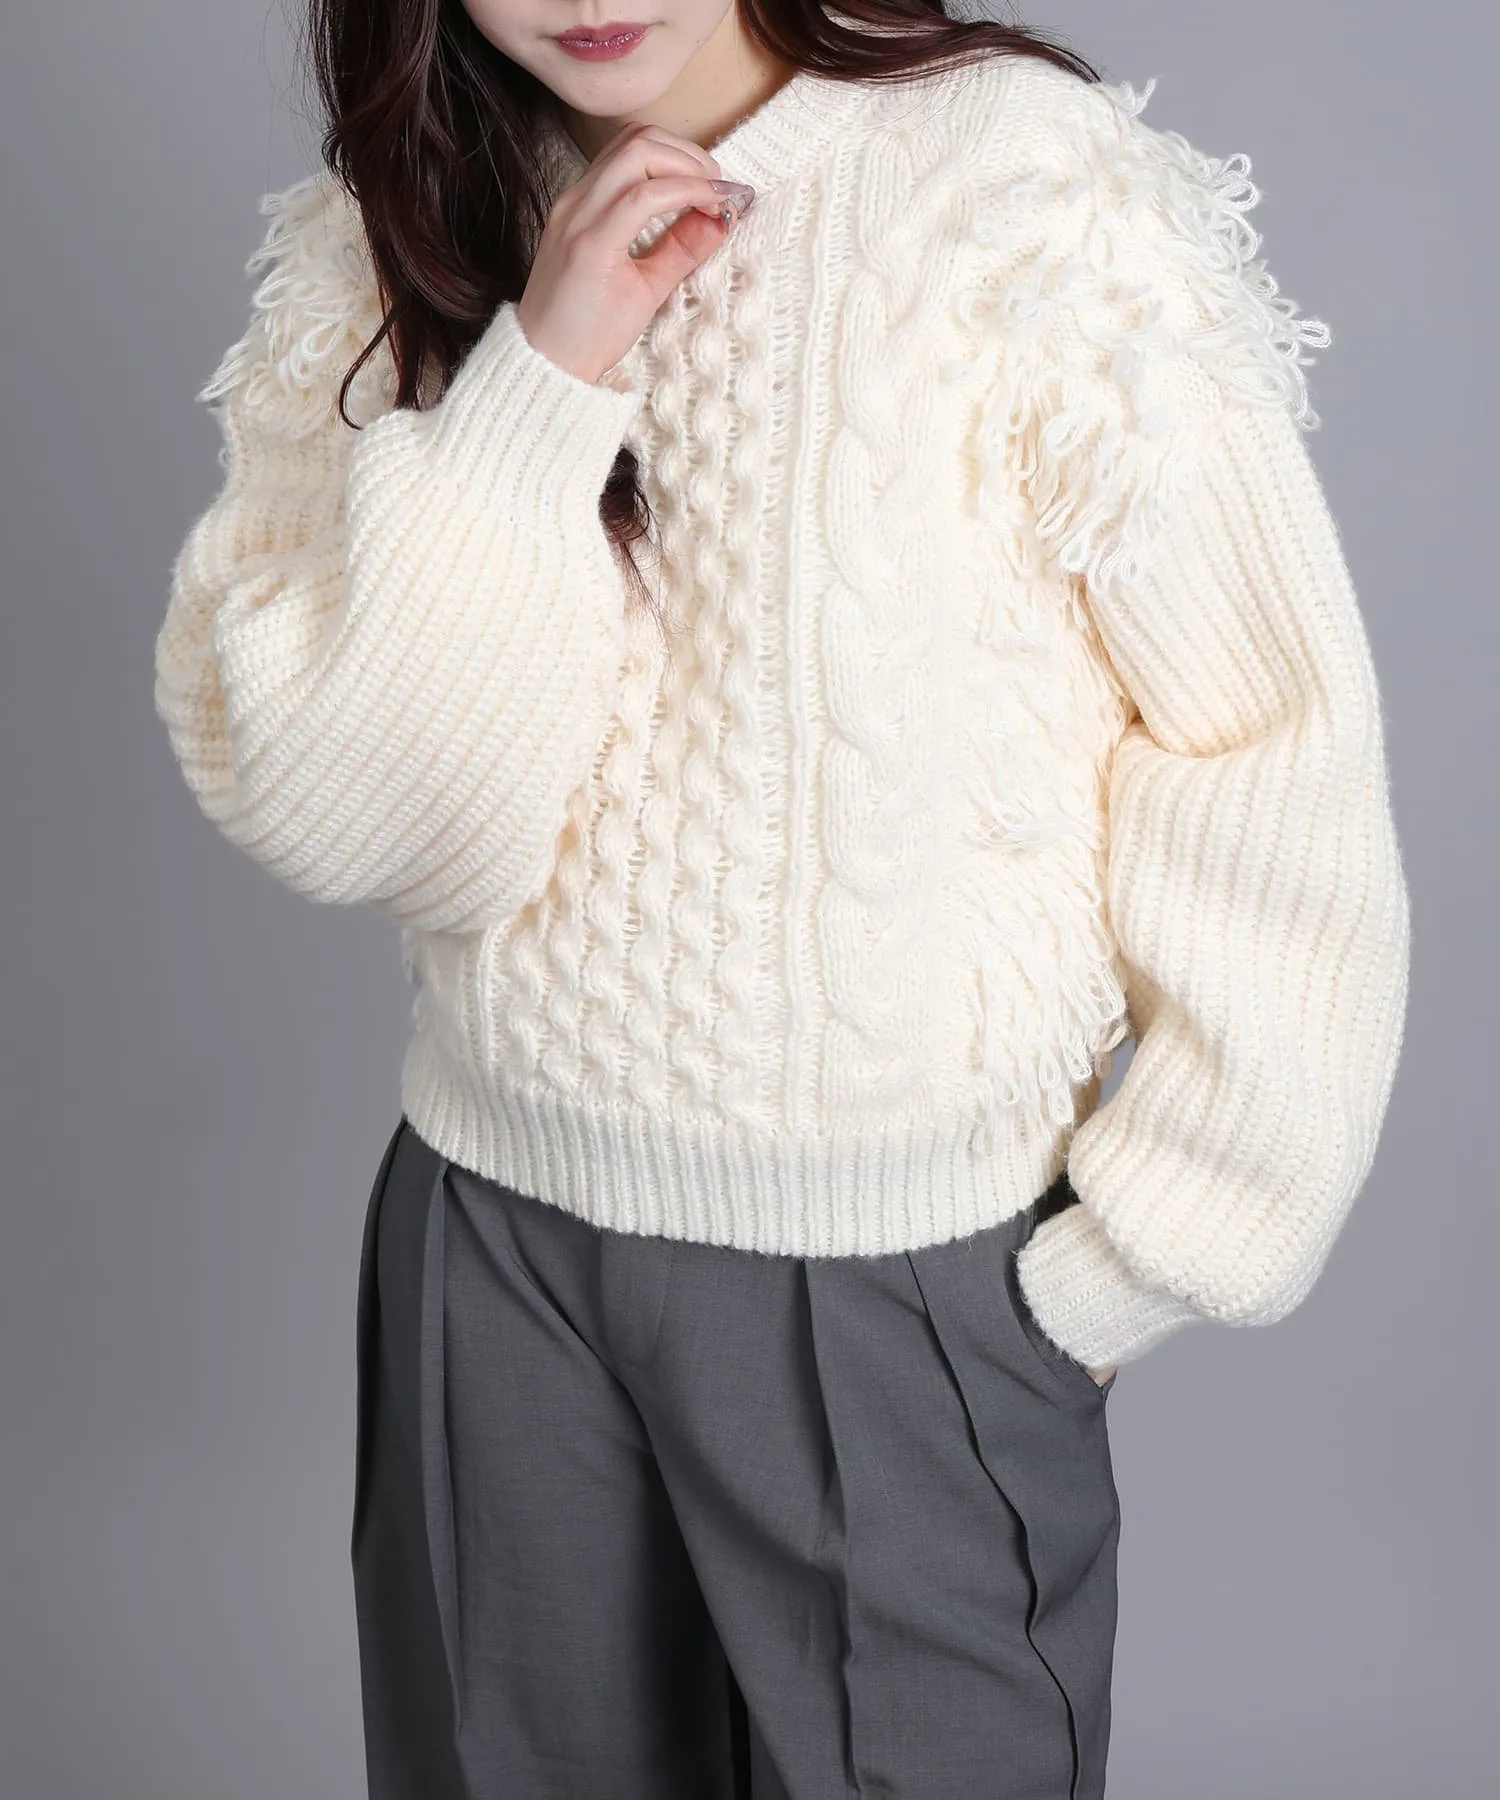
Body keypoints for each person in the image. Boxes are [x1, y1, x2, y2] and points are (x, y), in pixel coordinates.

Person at [152, 0, 1412, 1794]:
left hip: (901, 1286)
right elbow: (355, 813)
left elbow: (1265, 740)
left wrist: (1138, 1265)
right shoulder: (406, 213)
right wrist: (539, 384)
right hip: (495, 1252)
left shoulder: (1021, 183)